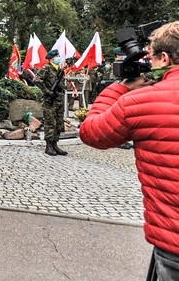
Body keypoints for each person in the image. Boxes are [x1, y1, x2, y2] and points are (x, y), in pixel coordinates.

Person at [80, 21, 179, 279]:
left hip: (174, 243)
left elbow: (91, 132)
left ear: (165, 58)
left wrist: (121, 88)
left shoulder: (142, 101)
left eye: (153, 57)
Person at [36, 48, 68, 157]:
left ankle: (55, 144)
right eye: (56, 56)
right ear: (51, 59)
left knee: (58, 123)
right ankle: (48, 146)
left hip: (58, 99)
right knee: (50, 123)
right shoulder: (46, 68)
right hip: (50, 100)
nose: (58, 58)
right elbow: (37, 80)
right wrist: (48, 92)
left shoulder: (59, 69)